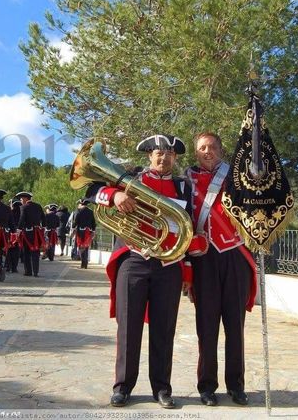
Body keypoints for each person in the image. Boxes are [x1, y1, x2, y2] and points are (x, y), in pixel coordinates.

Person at [86, 134, 192, 409]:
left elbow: (193, 229)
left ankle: (162, 388)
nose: (163, 157)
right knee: (128, 327)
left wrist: (188, 271)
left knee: (164, 329)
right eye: (158, 152)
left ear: (176, 158)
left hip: (169, 265)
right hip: (134, 259)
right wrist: (115, 195)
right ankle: (122, 386)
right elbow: (90, 192)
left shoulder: (183, 187)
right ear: (149, 155)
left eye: (169, 153)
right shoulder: (131, 177)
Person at [185, 133, 257, 407]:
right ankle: (206, 386)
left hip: (234, 254)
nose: (208, 151)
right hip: (203, 258)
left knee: (235, 326)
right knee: (206, 326)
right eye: (202, 148)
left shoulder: (237, 176)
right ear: (196, 153)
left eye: (213, 147)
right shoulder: (186, 181)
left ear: (221, 150)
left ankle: (236, 385)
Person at [16, 192, 45, 277]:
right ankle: (36, 271)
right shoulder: (38, 206)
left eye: (21, 199)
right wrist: (42, 228)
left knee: (26, 252)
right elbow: (43, 218)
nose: (21, 201)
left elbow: (21, 219)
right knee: (35, 252)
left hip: (27, 232)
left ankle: (28, 271)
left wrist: (18, 231)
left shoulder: (23, 207)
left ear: (25, 198)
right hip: (37, 232)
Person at [72, 199, 96, 269]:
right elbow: (93, 222)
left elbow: (75, 221)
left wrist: (73, 228)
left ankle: (83, 263)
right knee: (86, 247)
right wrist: (93, 231)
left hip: (80, 231)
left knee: (81, 247)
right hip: (89, 231)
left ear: (81, 204)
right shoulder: (91, 212)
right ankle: (85, 263)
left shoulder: (79, 211)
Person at [5, 199, 21, 273]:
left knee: (9, 250)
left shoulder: (9, 212)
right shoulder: (21, 212)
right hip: (18, 232)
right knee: (16, 251)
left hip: (10, 232)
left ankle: (8, 266)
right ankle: (14, 267)